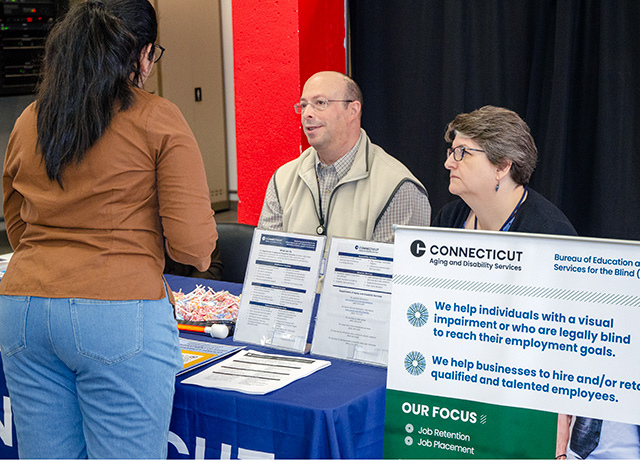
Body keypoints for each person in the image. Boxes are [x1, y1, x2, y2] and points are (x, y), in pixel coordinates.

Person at [0, 1, 217, 458]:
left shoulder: (29, 119)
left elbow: (16, 220)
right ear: (141, 55)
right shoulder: (156, 117)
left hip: (22, 309)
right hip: (118, 311)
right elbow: (194, 244)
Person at [258, 71, 431, 244]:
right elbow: (268, 261)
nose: (306, 114)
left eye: (320, 103)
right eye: (303, 105)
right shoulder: (282, 180)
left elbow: (388, 269)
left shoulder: (398, 187)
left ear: (353, 110)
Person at [433, 105, 576, 235]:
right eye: (452, 152)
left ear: (502, 167)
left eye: (462, 152)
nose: (448, 163)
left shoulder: (549, 232)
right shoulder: (449, 218)